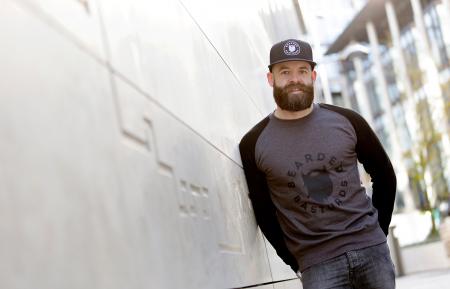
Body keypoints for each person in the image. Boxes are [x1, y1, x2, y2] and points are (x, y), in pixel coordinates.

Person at [239, 39, 397, 289]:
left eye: (302, 71)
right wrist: (294, 261)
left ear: (313, 76)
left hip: (371, 252)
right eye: (285, 72)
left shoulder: (348, 121)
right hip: (317, 265)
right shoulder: (253, 143)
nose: (295, 79)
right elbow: (264, 211)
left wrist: (378, 235)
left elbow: (385, 176)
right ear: (271, 79)